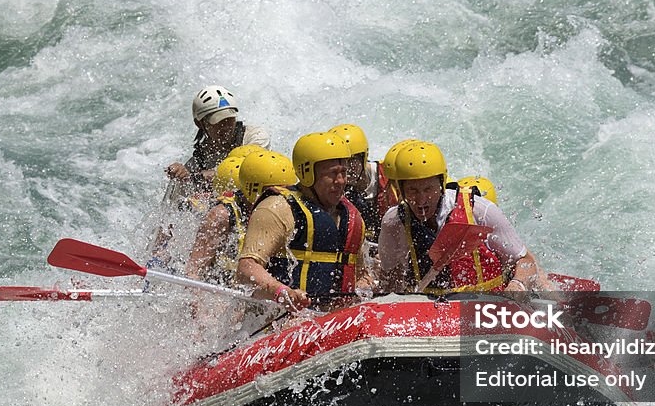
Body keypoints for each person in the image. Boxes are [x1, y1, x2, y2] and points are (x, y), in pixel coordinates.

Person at [377, 141, 553, 295]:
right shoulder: (394, 221)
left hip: (484, 306)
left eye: (428, 189)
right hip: (430, 311)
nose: (421, 200)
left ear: (441, 184)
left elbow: (526, 261)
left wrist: (518, 286)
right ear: (400, 189)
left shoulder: (481, 211)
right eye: (413, 191)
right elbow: (390, 279)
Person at [237, 132, 368, 311]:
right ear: (308, 174)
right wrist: (283, 293)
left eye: (344, 172)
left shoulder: (352, 217)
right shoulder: (278, 208)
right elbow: (247, 269)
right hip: (279, 320)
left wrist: (365, 286)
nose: (341, 181)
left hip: (333, 322)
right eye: (333, 174)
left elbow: (361, 274)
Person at [185, 150, 296, 285]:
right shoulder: (222, 215)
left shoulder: (286, 211)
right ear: (253, 189)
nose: (282, 197)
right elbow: (193, 271)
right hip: (222, 290)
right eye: (276, 191)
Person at [164, 85, 270, 206]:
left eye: (229, 119)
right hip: (227, 209)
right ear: (200, 123)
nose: (226, 126)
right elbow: (172, 206)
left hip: (259, 203)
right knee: (178, 184)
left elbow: (246, 169)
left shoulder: (256, 137)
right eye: (218, 121)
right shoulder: (196, 163)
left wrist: (199, 177)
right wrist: (183, 178)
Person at [328, 123, 394, 241]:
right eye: (339, 162)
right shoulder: (330, 186)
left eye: (351, 161)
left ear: (363, 157)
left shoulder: (389, 179)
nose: (345, 167)